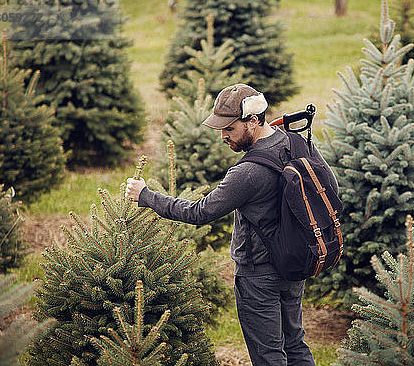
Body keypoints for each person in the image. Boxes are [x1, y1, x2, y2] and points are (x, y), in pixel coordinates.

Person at [126, 83, 336, 366]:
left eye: (230, 128)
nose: (223, 136)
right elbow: (330, 186)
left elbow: (199, 212)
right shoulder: (297, 142)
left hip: (257, 276)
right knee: (295, 343)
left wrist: (146, 196)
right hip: (295, 261)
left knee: (269, 355)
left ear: (252, 121)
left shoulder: (247, 172)